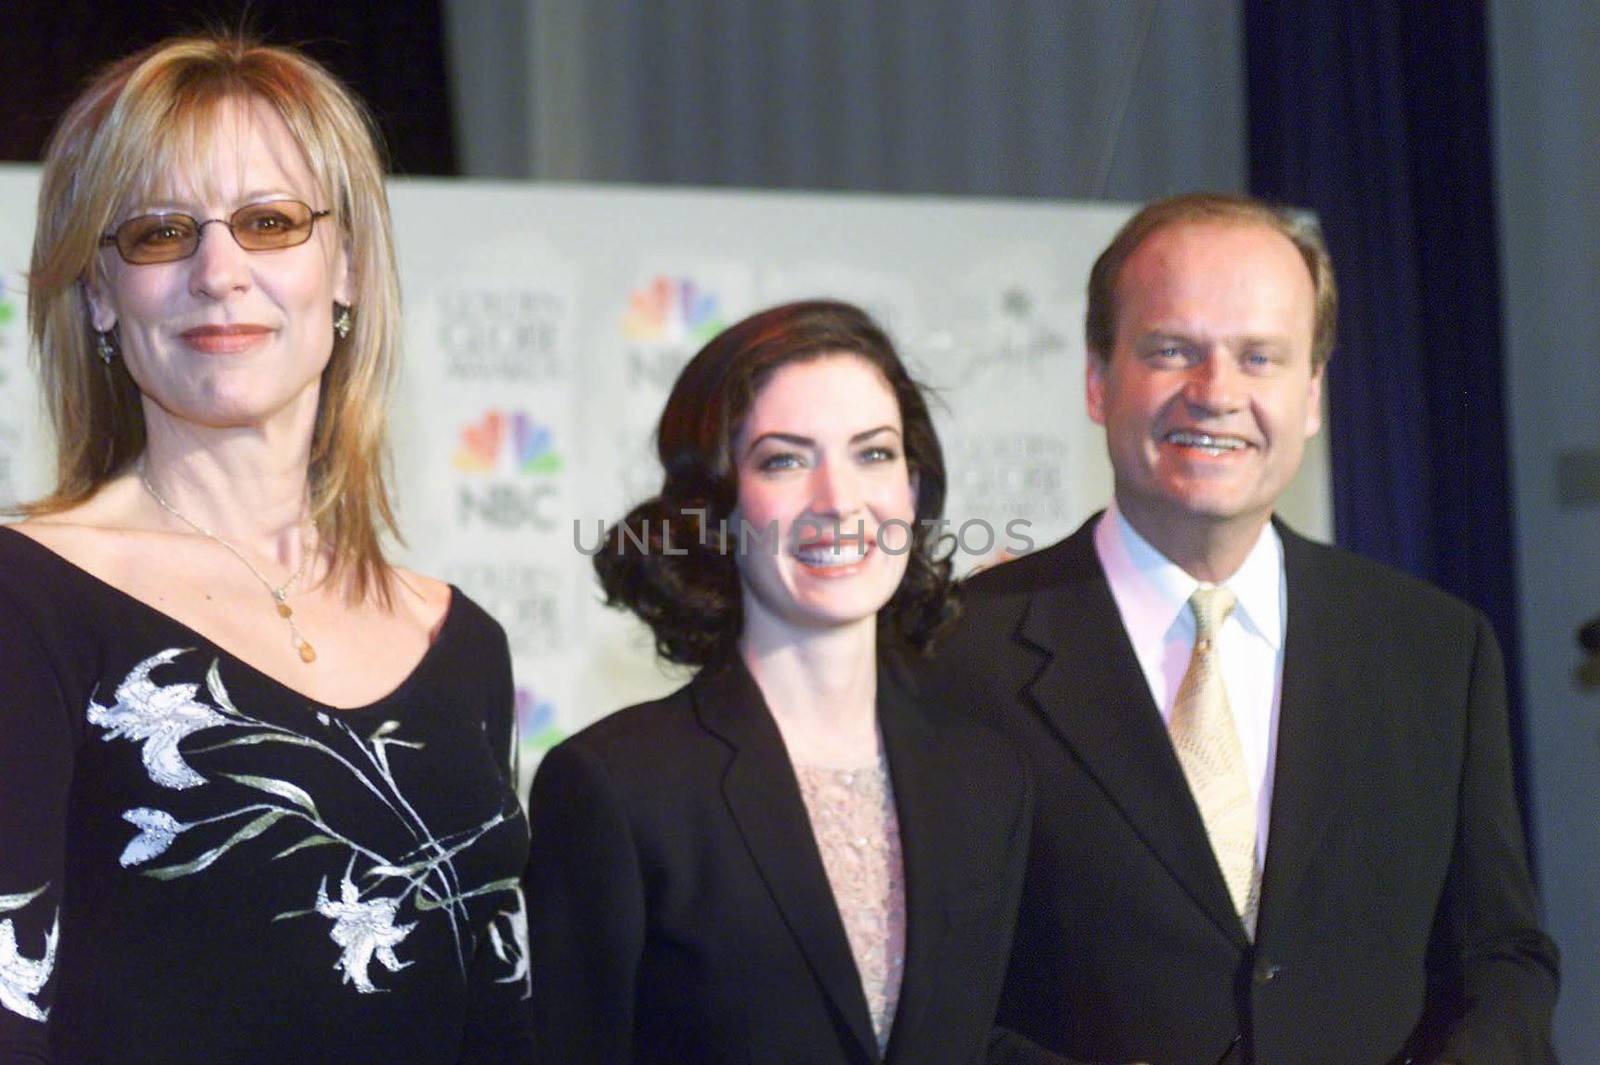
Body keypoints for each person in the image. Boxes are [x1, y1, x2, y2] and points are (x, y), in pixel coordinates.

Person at [0, 36, 530, 1063]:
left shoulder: (463, 645)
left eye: (269, 222)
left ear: (347, 271)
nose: (219, 271)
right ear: (101, 294)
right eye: (160, 233)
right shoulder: (22, 601)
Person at [936, 194, 1560, 1065]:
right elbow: (929, 999)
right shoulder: (954, 656)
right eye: (1171, 351)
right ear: (1096, 378)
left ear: (1310, 394)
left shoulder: (1436, 650)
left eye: (1259, 357)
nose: (1216, 393)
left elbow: (1502, 956)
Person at [524, 301, 1046, 1064]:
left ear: (913, 489)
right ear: (718, 507)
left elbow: (970, 1040)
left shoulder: (985, 776)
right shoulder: (617, 786)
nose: (839, 501)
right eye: (784, 459)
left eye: (873, 454)